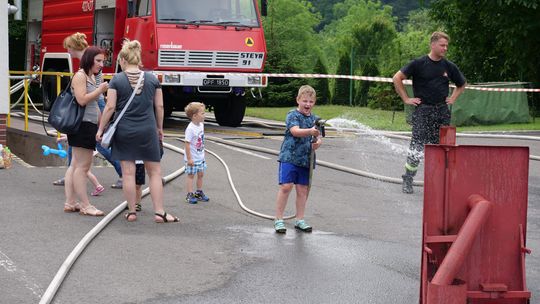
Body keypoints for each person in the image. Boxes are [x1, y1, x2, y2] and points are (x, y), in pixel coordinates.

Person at [97, 39, 178, 223]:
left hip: (125, 131)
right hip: (147, 129)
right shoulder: (152, 79)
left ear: (123, 60)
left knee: (128, 173)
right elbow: (159, 106)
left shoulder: (117, 80)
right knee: (155, 172)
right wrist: (159, 128)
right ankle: (159, 212)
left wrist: (101, 129)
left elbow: (110, 108)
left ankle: (132, 211)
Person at [393, 31, 466, 194]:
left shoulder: (449, 66)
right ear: (432, 45)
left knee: (442, 147)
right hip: (423, 111)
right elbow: (397, 78)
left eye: (446, 45)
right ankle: (408, 180)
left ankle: (439, 182)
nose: (445, 48)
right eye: (442, 45)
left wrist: (453, 97)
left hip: (441, 112)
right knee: (417, 145)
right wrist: (406, 99)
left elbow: (462, 84)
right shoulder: (418, 64)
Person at [59, 32, 124, 189]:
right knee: (76, 145)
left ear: (73, 47)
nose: (67, 51)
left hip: (93, 106)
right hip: (94, 104)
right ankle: (71, 173)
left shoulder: (89, 64)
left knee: (98, 142)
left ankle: (122, 172)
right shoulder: (89, 62)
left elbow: (90, 94)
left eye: (68, 48)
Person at [63, 46, 109, 216]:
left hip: (86, 124)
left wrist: (100, 125)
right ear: (89, 59)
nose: (101, 64)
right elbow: (82, 100)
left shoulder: (88, 76)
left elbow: (93, 105)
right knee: (82, 167)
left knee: (75, 165)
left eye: (102, 61)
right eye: (98, 61)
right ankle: (85, 205)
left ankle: (71, 201)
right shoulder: (81, 76)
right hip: (83, 125)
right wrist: (99, 90)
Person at [273, 85, 322, 234]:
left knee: (302, 190)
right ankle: (279, 219)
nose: (308, 104)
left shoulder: (316, 120)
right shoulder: (292, 115)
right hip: (289, 157)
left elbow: (319, 138)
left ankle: (300, 219)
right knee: (286, 187)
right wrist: (310, 132)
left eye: (311, 102)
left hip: (306, 159)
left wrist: (317, 143)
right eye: (305, 101)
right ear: (298, 100)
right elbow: (295, 131)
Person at [183, 102, 210, 204]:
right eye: (202, 113)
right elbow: (187, 144)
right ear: (194, 116)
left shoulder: (201, 125)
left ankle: (198, 192)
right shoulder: (190, 129)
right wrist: (189, 158)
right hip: (192, 158)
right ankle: (189, 194)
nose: (204, 115)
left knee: (201, 174)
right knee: (191, 175)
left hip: (200, 156)